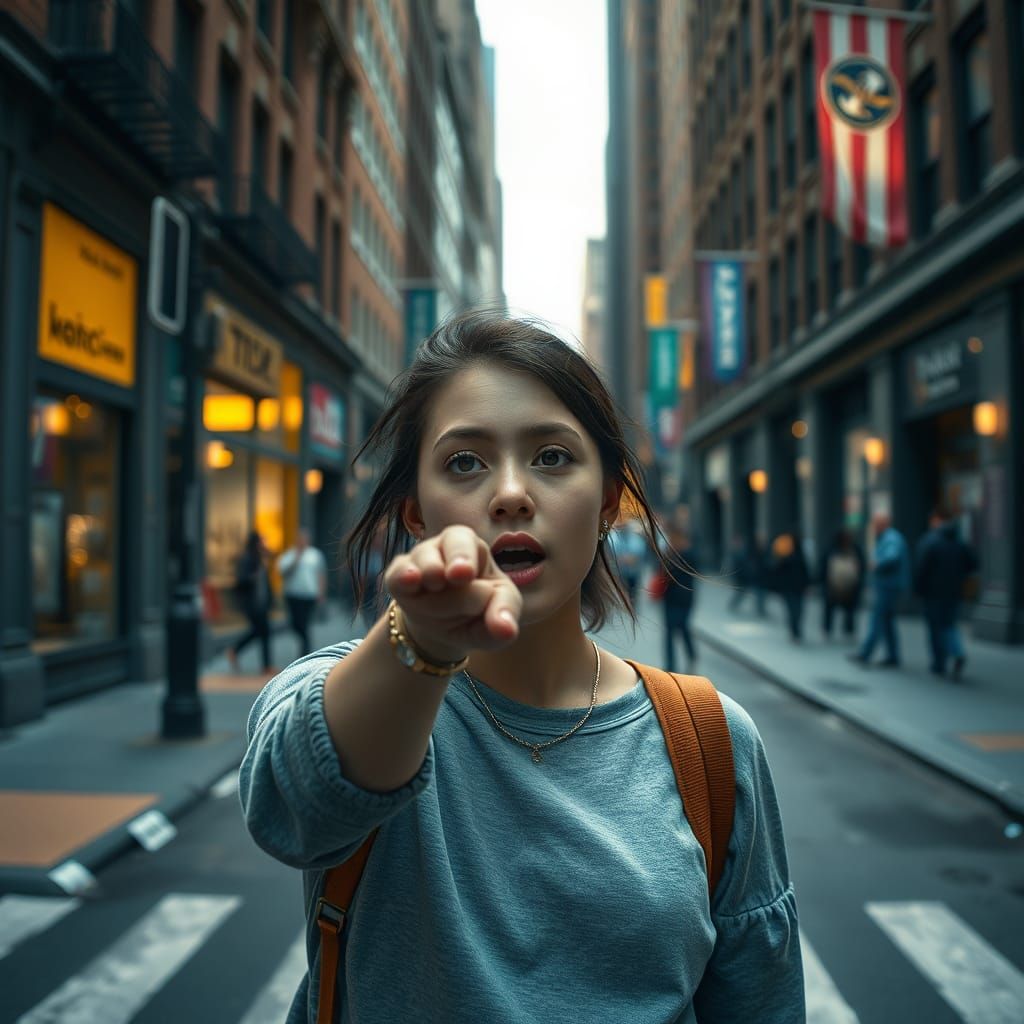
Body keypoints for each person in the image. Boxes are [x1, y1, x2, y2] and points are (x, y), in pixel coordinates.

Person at [240, 313, 804, 1023]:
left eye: (553, 457)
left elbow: (761, 1000)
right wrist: (421, 641)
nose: (510, 492)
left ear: (606, 504)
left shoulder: (714, 743)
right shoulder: (358, 690)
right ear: (415, 514)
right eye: (465, 462)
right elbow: (290, 806)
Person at [914, 508, 979, 679]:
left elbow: (922, 569)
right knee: (949, 624)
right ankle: (956, 652)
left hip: (933, 593)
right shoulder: (959, 543)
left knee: (935, 628)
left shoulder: (930, 542)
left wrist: (918, 590)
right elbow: (973, 564)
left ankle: (939, 663)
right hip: (954, 592)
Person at [849, 513, 911, 668]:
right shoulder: (888, 537)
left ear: (882, 524)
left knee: (878, 619)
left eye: (875, 524)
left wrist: (876, 563)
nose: (873, 528)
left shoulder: (891, 538)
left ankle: (866, 653)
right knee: (887, 621)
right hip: (887, 585)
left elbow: (892, 556)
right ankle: (893, 656)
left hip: (888, 586)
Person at [278, 527, 328, 657]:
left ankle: (305, 652)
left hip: (309, 596)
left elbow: (321, 574)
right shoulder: (289, 555)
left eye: (304, 539)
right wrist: (297, 558)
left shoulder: (315, 555)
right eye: (300, 539)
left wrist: (321, 593)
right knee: (295, 624)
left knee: (304, 624)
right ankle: (305, 649)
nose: (302, 541)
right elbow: (283, 572)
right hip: (292, 596)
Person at [227, 530, 272, 672]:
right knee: (260, 631)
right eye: (260, 542)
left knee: (262, 632)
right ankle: (236, 651)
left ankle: (264, 664)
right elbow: (241, 580)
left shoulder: (259, 558)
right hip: (252, 603)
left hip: (261, 602)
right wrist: (253, 577)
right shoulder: (247, 559)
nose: (262, 545)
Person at [662, 520, 699, 672]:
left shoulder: (689, 554)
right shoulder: (668, 554)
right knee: (669, 632)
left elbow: (692, 572)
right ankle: (670, 666)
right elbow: (662, 574)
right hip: (669, 599)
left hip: (684, 599)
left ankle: (691, 655)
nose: (673, 541)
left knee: (683, 628)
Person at [819, 527, 865, 640]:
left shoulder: (854, 549)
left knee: (848, 610)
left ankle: (847, 630)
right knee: (831, 609)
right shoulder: (832, 549)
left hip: (850, 586)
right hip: (832, 586)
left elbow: (862, 566)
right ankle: (828, 629)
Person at [771, 528, 810, 642]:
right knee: (793, 610)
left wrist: (807, 584)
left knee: (798, 611)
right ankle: (795, 631)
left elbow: (805, 570)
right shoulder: (784, 553)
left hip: (798, 588)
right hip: (789, 588)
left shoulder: (799, 553)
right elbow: (777, 570)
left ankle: (796, 630)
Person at [607, 514, 647, 604]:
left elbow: (636, 557)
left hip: (632, 573)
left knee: (632, 592)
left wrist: (623, 559)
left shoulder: (635, 538)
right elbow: (612, 556)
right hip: (619, 573)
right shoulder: (613, 537)